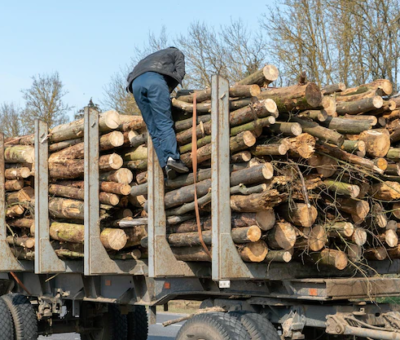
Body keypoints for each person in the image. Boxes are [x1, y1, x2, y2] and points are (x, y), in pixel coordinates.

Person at [126, 47, 189, 180]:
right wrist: (168, 90)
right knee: (163, 122)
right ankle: (172, 159)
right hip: (154, 80)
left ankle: (164, 166)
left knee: (153, 128)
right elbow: (180, 73)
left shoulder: (147, 59)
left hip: (136, 84)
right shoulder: (176, 52)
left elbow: (129, 76)